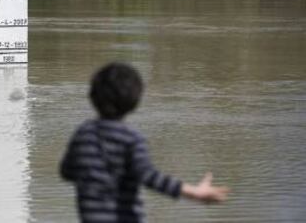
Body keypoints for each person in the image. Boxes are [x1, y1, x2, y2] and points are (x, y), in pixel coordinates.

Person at [60, 62, 229, 223]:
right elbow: (148, 176)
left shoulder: (82, 134)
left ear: (92, 96)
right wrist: (194, 192)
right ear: (134, 101)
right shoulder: (131, 138)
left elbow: (66, 172)